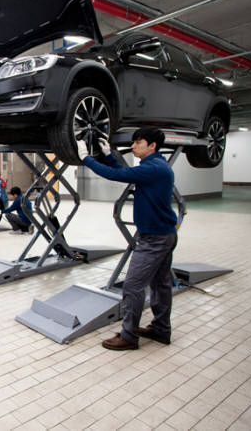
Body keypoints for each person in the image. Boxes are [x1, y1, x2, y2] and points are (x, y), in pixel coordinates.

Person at [77, 128, 177, 351]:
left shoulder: (154, 169)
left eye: (138, 142)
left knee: (133, 286)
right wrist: (109, 155)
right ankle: (161, 329)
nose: (133, 146)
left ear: (152, 146)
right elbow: (126, 173)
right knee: (160, 285)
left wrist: (85, 158)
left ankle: (129, 336)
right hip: (164, 234)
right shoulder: (155, 167)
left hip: (154, 239)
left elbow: (116, 175)